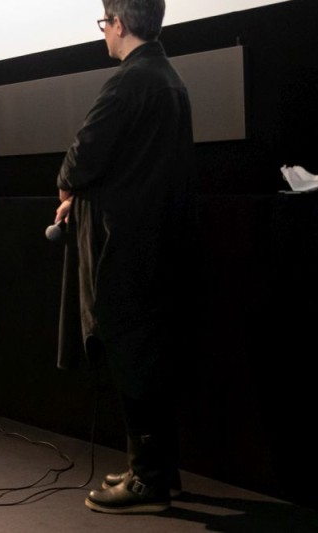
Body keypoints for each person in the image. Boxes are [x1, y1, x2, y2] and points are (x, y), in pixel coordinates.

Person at [54, 0, 193, 514]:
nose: (103, 34)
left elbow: (83, 153)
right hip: (158, 239)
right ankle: (155, 468)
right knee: (149, 357)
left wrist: (67, 186)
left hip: (126, 245)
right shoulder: (167, 78)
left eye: (104, 23)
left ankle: (147, 481)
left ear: (120, 23)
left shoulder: (129, 81)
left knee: (133, 360)